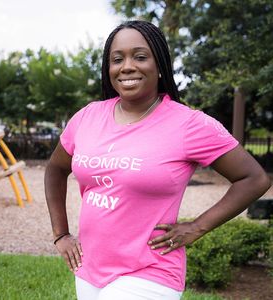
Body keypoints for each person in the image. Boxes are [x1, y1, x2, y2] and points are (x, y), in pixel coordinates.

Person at [44, 20, 271, 300]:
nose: (127, 66)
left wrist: (196, 227)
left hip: (151, 271)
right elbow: (55, 168)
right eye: (117, 59)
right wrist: (60, 234)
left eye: (140, 56)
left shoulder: (189, 124)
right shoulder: (87, 117)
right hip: (90, 268)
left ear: (160, 64)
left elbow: (253, 178)